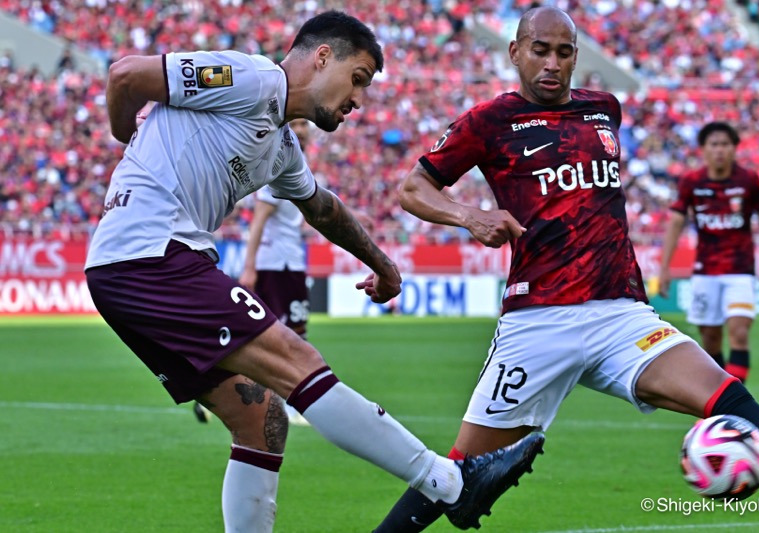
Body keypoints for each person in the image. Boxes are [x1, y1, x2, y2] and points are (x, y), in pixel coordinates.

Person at [84, 11, 545, 532]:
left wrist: (382, 265)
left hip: (131, 268)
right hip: (151, 256)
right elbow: (126, 75)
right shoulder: (252, 78)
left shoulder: (282, 146)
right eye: (358, 79)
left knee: (261, 419)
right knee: (298, 360)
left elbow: (322, 209)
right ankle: (451, 485)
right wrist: (126, 135)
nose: (359, 100)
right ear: (323, 57)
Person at [373, 7, 759, 532]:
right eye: (540, 51)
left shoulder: (603, 109)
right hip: (538, 321)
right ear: (515, 52)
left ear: (576, 56)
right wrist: (470, 216)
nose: (552, 63)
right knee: (457, 477)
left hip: (621, 315)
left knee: (732, 400)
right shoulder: (488, 121)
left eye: (564, 52)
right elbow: (413, 188)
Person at [194, 119, 313, 426]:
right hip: (276, 265)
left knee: (265, 336)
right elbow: (258, 221)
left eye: (305, 124)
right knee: (290, 335)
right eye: (297, 123)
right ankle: (290, 404)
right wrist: (250, 267)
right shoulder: (278, 171)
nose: (302, 130)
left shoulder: (296, 168)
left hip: (288, 262)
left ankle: (214, 395)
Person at [658, 122, 759, 384]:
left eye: (725, 144)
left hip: (741, 270)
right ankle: (723, 395)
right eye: (714, 144)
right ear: (703, 149)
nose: (720, 150)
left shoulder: (748, 181)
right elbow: (676, 222)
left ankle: (737, 399)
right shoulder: (692, 182)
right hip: (705, 272)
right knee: (710, 339)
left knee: (739, 332)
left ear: (735, 148)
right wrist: (664, 267)